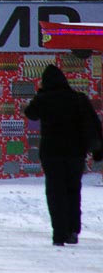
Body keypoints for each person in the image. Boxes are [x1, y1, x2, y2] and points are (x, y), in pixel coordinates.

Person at [24, 64, 103, 246]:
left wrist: (41, 94)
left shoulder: (45, 99)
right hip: (75, 153)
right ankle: (73, 230)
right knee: (73, 191)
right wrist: (97, 149)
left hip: (52, 154)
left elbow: (31, 114)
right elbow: (93, 123)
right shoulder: (78, 99)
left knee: (55, 193)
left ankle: (59, 234)